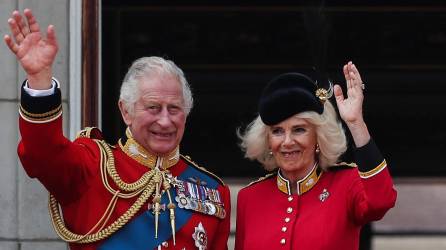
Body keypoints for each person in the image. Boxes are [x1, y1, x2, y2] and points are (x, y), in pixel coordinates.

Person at [5, 9, 230, 250]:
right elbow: (42, 153)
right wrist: (40, 81)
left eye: (174, 108)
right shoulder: (92, 168)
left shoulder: (212, 191)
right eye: (153, 107)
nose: (165, 121)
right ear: (126, 112)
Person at [235, 63, 397, 250]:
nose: (287, 142)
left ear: (318, 137)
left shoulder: (346, 184)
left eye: (299, 130)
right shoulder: (250, 198)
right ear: (267, 141)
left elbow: (381, 201)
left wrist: (355, 124)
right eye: (277, 131)